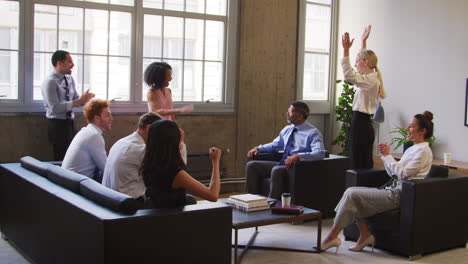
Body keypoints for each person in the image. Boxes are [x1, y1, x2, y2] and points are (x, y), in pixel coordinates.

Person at [321, 111, 434, 253]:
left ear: (422, 131)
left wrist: (388, 156)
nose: (407, 129)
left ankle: (331, 237)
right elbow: (393, 173)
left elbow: (403, 174)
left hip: (400, 195)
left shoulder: (424, 151)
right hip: (392, 190)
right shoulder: (413, 148)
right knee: (354, 197)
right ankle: (365, 236)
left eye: (411, 126)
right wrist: (387, 157)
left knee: (352, 194)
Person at [245, 101, 326, 199]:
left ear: (300, 116)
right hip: (282, 163)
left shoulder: (313, 133)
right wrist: (258, 148)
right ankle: (251, 200)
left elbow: (320, 153)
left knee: (276, 170)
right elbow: (275, 145)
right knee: (252, 166)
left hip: (297, 168)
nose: (287, 114)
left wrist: (298, 156)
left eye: (290, 112)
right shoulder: (287, 129)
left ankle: (272, 204)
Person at [102, 112, 188, 201]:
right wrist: (180, 142)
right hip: (130, 204)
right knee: (187, 199)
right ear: (149, 128)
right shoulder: (139, 149)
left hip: (112, 198)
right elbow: (177, 170)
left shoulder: (122, 142)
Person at [140, 119, 221, 208]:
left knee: (190, 199)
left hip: (156, 210)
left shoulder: (148, 164)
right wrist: (215, 161)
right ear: (173, 143)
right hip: (174, 217)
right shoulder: (175, 174)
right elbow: (213, 195)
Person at [342, 25, 387, 169]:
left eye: (357, 61)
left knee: (359, 161)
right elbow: (363, 57)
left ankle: (361, 190)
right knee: (361, 158)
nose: (355, 64)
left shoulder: (370, 81)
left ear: (366, 62)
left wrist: (346, 50)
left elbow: (348, 75)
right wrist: (363, 41)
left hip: (361, 123)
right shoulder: (370, 78)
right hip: (362, 123)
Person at [41, 50, 95, 161]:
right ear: (59, 63)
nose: (73, 65)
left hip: (70, 123)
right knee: (60, 158)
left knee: (71, 157)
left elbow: (75, 100)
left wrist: (85, 99)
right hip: (57, 125)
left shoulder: (69, 79)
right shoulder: (50, 82)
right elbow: (55, 108)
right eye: (69, 61)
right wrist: (79, 101)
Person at [62, 99, 113, 182]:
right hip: (76, 185)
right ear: (97, 118)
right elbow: (106, 169)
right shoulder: (94, 136)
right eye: (107, 115)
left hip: (70, 180)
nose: (111, 118)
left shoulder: (86, 131)